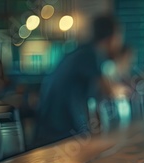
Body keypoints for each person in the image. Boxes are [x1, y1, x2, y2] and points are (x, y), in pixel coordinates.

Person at [34, 15, 123, 146]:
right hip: (60, 134)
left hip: (53, 128)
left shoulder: (81, 51)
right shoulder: (91, 55)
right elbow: (109, 91)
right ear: (112, 37)